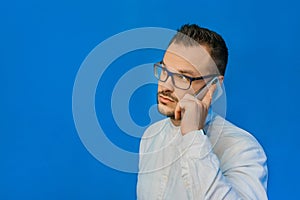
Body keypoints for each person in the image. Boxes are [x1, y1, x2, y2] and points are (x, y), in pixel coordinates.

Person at [137, 24, 268, 199]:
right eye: (165, 70)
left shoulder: (242, 148)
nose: (165, 85)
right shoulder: (150, 136)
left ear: (213, 85)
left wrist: (193, 135)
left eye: (183, 77)